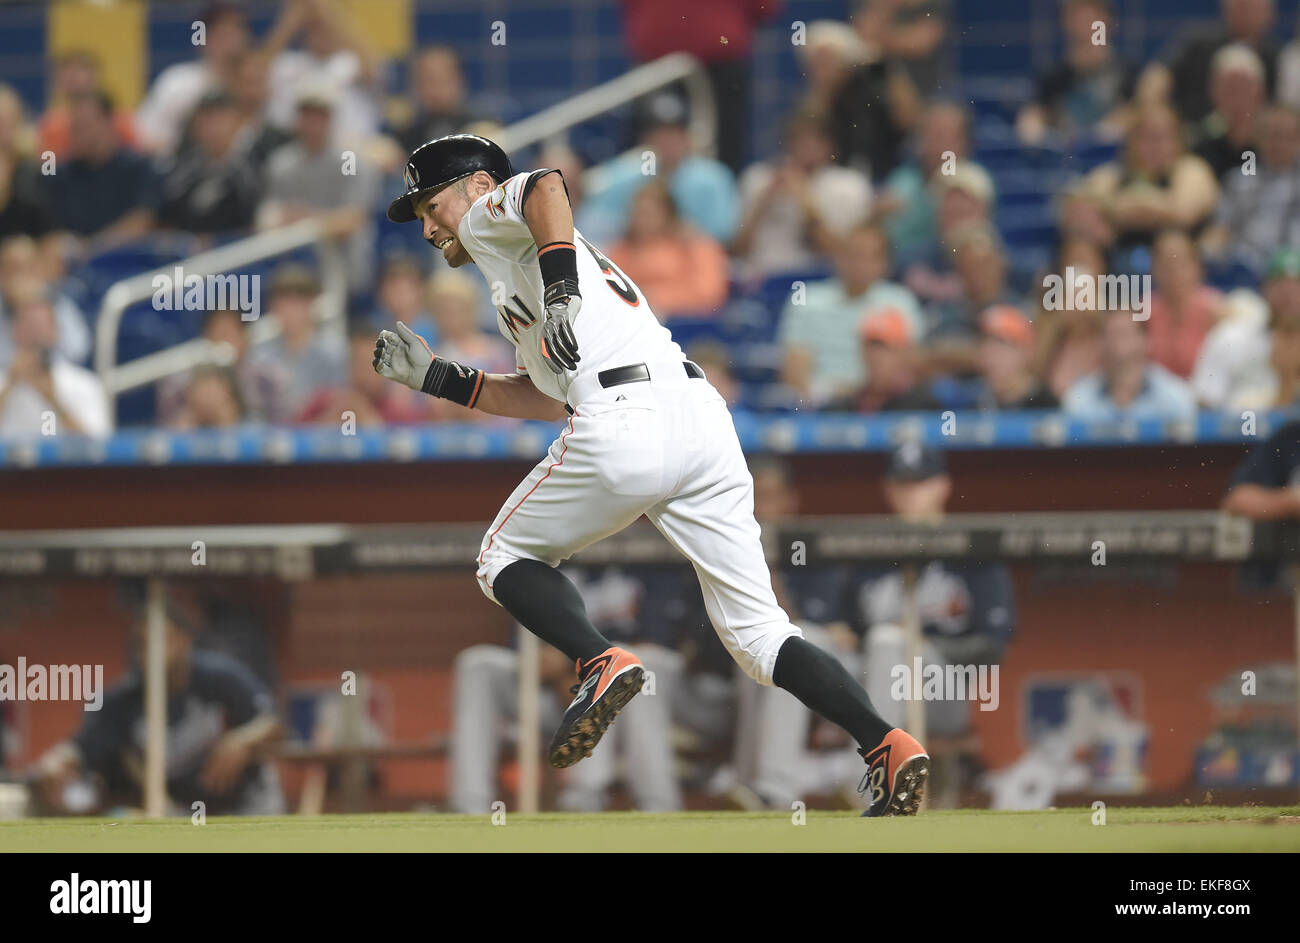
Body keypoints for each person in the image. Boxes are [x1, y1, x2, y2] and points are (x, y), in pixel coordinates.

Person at [374, 133, 930, 816]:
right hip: (698, 418)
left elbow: (547, 183)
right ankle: (887, 741)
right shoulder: (510, 267)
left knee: (502, 554)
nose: (427, 226)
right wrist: (438, 376)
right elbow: (548, 395)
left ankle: (598, 659)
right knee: (760, 635)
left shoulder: (492, 217)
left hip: (625, 416)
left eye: (430, 204)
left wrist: (557, 296)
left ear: (475, 187)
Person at [34, 595, 284, 816]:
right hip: (177, 812)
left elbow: (273, 722)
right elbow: (80, 747)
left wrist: (244, 739)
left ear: (184, 639)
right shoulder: (122, 700)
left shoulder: (219, 677)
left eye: (162, 639)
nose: (150, 650)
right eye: (142, 642)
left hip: (248, 806)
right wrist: (57, 760)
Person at [777, 223, 922, 406]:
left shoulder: (900, 301)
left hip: (880, 402)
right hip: (821, 403)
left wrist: (859, 393)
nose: (858, 263)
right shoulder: (807, 300)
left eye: (868, 256)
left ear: (884, 263)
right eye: (852, 254)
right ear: (838, 258)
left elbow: (907, 363)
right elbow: (794, 366)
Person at [577, 92, 739, 247]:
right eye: (659, 134)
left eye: (673, 134)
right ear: (646, 139)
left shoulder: (713, 178)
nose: (667, 142)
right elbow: (591, 229)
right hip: (635, 265)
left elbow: (725, 238)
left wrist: (683, 233)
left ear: (687, 137)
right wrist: (631, 229)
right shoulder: (623, 175)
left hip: (691, 264)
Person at [733, 109, 872, 280]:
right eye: (799, 139)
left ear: (830, 145)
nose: (807, 147)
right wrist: (763, 202)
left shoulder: (848, 185)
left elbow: (838, 252)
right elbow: (736, 250)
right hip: (761, 278)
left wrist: (805, 202)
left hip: (814, 280)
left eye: (815, 140)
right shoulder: (758, 177)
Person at [45, 91, 157, 250]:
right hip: (71, 265)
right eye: (74, 127)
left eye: (85, 126)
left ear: (108, 122)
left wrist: (91, 247)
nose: (77, 134)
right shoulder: (60, 175)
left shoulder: (139, 167)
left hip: (127, 260)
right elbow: (50, 229)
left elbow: (142, 221)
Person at [135, 2, 250, 155]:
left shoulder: (258, 83)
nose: (231, 43)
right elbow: (145, 136)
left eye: (236, 32)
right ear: (203, 39)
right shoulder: (178, 83)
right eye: (222, 35)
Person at [0, 278, 110, 438]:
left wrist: (53, 400)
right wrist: (9, 386)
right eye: (28, 325)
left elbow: (100, 449)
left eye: (40, 325)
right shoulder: (3, 382)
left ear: (56, 331)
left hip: (68, 463)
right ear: (14, 331)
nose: (34, 334)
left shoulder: (84, 384)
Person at [1017, 0, 1136, 145]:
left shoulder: (1129, 73)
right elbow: (1034, 116)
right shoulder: (1051, 76)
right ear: (1065, 22)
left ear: (1108, 20)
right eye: (1077, 17)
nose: (1085, 24)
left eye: (1092, 16)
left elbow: (1140, 113)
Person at [606, 181, 730, 318]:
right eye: (637, 213)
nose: (641, 221)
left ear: (669, 216)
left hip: (684, 327)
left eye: (649, 214)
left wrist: (652, 297)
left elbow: (709, 293)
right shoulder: (619, 251)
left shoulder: (695, 247)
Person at [1061, 310, 1198, 422]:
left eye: (1125, 334)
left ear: (1146, 340)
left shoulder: (1175, 397)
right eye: (1112, 334)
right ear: (1101, 342)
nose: (1118, 345)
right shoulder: (1079, 398)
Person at [247, 264, 345, 420]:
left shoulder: (333, 351)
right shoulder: (260, 357)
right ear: (273, 308)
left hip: (324, 436)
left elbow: (341, 404)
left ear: (311, 305)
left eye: (297, 303)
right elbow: (256, 410)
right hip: (274, 436)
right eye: (283, 303)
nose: (290, 312)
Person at [156, 307, 286, 425]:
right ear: (206, 337)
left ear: (245, 337)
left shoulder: (267, 377)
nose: (224, 340)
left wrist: (231, 421)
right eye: (218, 332)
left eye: (230, 331)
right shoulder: (182, 381)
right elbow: (164, 428)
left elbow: (281, 427)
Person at [1192, 43, 1267, 182]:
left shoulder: (1279, 143)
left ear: (1260, 93)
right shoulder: (1199, 147)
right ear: (1214, 93)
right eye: (1230, 89)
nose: (1238, 98)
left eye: (1244, 88)